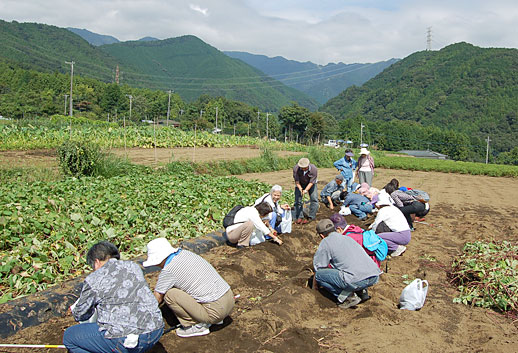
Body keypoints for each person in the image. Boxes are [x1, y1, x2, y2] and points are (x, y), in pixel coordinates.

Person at [63, 241, 164, 353]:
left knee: (69, 337)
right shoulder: (134, 267)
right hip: (156, 330)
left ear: (96, 262)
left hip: (122, 338)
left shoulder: (94, 278)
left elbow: (80, 314)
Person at [144, 238, 235, 338]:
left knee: (170, 294)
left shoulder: (168, 271)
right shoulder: (186, 254)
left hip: (215, 311)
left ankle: (196, 326)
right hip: (229, 300)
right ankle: (214, 318)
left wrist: (143, 315)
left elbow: (158, 298)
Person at [312, 219, 382, 308]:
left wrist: (314, 283)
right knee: (351, 267)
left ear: (322, 235)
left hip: (357, 280)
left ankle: (348, 298)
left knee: (319, 275)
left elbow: (319, 267)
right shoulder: (347, 237)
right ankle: (362, 293)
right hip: (374, 275)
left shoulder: (326, 242)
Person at [369, 192, 411, 257]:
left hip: (402, 235)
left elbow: (376, 225)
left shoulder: (383, 211)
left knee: (377, 237)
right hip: (406, 234)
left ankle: (396, 248)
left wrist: (370, 234)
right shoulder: (394, 208)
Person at [293, 157, 318, 224]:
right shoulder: (296, 169)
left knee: (314, 199)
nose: (303, 169)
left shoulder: (313, 169)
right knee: (298, 200)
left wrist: (305, 190)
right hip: (300, 183)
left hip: (311, 184)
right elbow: (297, 181)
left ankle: (311, 217)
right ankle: (299, 216)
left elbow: (311, 182)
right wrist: (300, 188)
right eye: (302, 168)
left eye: (305, 168)